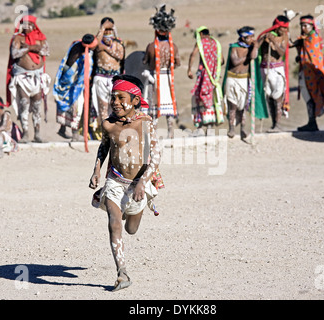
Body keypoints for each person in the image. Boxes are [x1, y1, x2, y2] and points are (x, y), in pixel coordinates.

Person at [89, 74, 163, 292]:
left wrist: (142, 182)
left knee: (131, 229)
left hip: (138, 184)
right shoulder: (109, 124)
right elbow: (104, 147)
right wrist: (96, 170)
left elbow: (156, 156)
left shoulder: (145, 124)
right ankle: (122, 273)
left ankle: (134, 211)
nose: (115, 102)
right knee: (114, 222)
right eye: (113, 97)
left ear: (135, 101)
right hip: (114, 180)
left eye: (121, 98)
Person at [7, 15, 50, 143]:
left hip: (37, 76)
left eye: (29, 24)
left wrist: (28, 48)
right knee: (24, 104)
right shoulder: (18, 38)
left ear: (33, 25)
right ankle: (25, 133)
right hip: (22, 77)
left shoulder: (41, 38)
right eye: (24, 25)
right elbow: (14, 54)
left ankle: (37, 133)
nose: (26, 27)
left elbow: (46, 51)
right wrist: (31, 48)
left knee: (37, 106)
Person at [142, 5, 181, 138]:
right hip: (168, 79)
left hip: (155, 79)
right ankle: (170, 132)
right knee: (169, 105)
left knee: (154, 105)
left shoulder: (151, 47)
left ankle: (154, 133)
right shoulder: (173, 47)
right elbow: (177, 63)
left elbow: (145, 62)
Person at [290, 15, 324, 132]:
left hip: (314, 72)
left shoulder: (313, 37)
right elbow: (291, 44)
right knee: (308, 97)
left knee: (312, 96)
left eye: (305, 25)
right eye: (301, 25)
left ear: (312, 25)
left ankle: (313, 122)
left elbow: (312, 55)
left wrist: (301, 48)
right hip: (306, 72)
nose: (303, 28)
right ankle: (312, 122)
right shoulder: (305, 38)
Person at [53, 34, 98, 142]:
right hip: (74, 84)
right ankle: (75, 134)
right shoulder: (83, 55)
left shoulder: (76, 45)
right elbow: (77, 71)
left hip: (67, 81)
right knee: (76, 107)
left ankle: (62, 128)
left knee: (68, 104)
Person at [223, 26, 259, 140]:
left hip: (244, 79)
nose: (252, 39)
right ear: (243, 38)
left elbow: (253, 56)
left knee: (244, 106)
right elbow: (235, 62)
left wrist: (255, 46)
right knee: (232, 105)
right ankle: (231, 128)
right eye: (250, 37)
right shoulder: (234, 47)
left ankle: (243, 127)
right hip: (233, 79)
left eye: (253, 36)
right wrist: (247, 56)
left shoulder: (252, 48)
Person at [257, 15, 290, 132]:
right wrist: (263, 39)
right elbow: (256, 48)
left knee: (278, 98)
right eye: (283, 28)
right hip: (265, 69)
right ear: (276, 27)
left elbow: (281, 52)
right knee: (269, 98)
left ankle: (278, 124)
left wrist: (274, 42)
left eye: (286, 28)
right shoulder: (265, 36)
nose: (285, 31)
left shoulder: (284, 37)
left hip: (277, 70)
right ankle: (273, 124)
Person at [188, 26, 224, 131]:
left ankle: (199, 125)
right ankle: (210, 126)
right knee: (211, 97)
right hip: (214, 76)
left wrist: (189, 70)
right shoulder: (216, 43)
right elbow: (222, 60)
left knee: (199, 97)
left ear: (200, 34)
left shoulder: (200, 43)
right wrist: (213, 66)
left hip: (204, 75)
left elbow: (193, 55)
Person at [92, 17, 125, 130]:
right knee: (103, 108)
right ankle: (105, 134)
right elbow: (95, 45)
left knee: (116, 107)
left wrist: (105, 48)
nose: (107, 32)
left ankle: (114, 132)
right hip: (101, 78)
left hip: (114, 79)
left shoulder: (118, 43)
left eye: (109, 29)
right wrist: (102, 28)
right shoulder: (97, 43)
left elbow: (120, 56)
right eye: (105, 30)